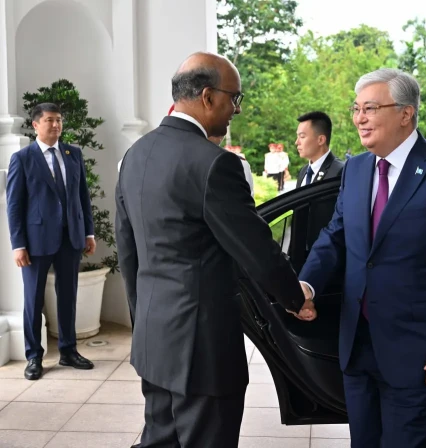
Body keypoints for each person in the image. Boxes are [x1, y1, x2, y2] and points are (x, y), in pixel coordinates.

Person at [116, 52, 315, 448]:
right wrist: (296, 296)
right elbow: (256, 250)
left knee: (160, 440)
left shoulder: (134, 155)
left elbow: (128, 253)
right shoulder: (213, 165)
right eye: (234, 99)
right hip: (202, 350)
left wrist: (145, 323)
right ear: (208, 97)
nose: (235, 111)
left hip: (155, 340)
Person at [298, 68, 426, 447]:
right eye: (356, 109)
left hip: (421, 356)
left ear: (406, 113)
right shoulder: (355, 169)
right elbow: (336, 236)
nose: (359, 118)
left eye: (370, 108)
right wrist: (306, 283)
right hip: (357, 347)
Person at [6, 102, 96, 381]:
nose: (55, 125)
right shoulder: (22, 158)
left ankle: (68, 351)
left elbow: (83, 197)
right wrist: (18, 244)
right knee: (33, 300)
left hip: (71, 238)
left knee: (68, 295)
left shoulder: (73, 153)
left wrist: (88, 233)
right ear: (35, 125)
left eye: (58, 120)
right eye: (49, 120)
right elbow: (14, 205)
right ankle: (34, 356)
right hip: (35, 241)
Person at [295, 111, 344, 188]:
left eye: (302, 136)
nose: (297, 142)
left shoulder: (340, 171)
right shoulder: (303, 171)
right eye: (297, 136)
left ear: (321, 140)